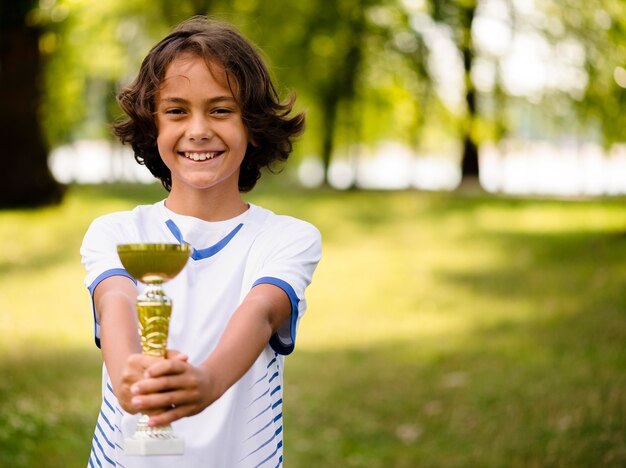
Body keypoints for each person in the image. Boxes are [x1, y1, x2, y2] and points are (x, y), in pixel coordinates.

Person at [80, 16, 321, 467]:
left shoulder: (287, 238)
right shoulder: (115, 232)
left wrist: (208, 381)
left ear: (252, 125)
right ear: (152, 126)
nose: (198, 129)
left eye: (220, 109)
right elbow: (116, 302)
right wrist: (129, 373)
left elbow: (262, 311)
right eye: (176, 111)